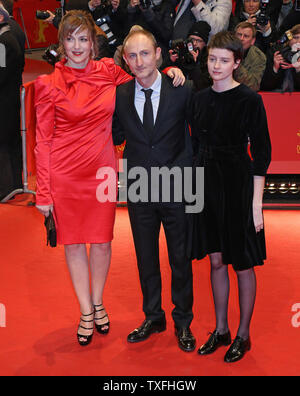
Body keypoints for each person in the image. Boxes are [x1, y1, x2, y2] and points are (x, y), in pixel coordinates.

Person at [34, 10, 184, 347]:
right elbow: (42, 140)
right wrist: (43, 192)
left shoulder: (107, 72)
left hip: (102, 170)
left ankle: (98, 300)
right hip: (65, 175)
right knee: (73, 243)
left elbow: (143, 77)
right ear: (62, 43)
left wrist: (169, 71)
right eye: (70, 39)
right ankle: (86, 311)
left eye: (83, 39)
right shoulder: (48, 85)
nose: (76, 46)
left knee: (102, 241)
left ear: (93, 42)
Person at [189, 31, 271, 362]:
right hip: (208, 182)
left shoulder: (250, 100)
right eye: (212, 59)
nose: (217, 66)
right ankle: (221, 329)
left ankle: (243, 334)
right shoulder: (199, 98)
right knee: (216, 258)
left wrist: (256, 204)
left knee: (243, 262)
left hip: (238, 183)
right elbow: (194, 147)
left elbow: (262, 153)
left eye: (224, 60)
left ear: (237, 63)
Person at [112, 29, 196, 352]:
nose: (139, 61)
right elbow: (118, 133)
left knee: (180, 257)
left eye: (145, 54)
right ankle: (153, 315)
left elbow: (196, 137)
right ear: (126, 60)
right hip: (139, 188)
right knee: (145, 257)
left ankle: (183, 321)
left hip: (178, 185)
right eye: (132, 56)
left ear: (158, 54)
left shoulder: (182, 89)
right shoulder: (120, 94)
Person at [0, 4, 23, 201]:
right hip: (11, 98)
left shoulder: (2, 42)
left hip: (4, 101)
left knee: (4, 144)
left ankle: (5, 188)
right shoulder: (12, 36)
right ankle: (14, 184)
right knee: (12, 143)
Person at [163, 20, 212, 91]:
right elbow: (161, 75)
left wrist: (194, 65)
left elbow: (203, 87)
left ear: (205, 43)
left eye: (198, 40)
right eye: (192, 39)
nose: (194, 43)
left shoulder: (209, 59)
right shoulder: (180, 51)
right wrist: (170, 60)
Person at [260, 23, 300, 91]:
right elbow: (265, 86)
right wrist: (275, 68)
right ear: (289, 39)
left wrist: (298, 70)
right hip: (277, 95)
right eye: (296, 38)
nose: (298, 42)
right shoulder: (276, 53)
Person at [234, 21, 266, 91]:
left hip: (243, 93)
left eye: (246, 36)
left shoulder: (259, 57)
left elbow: (254, 86)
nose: (241, 39)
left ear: (253, 41)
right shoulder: (224, 50)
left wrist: (236, 64)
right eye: (239, 35)